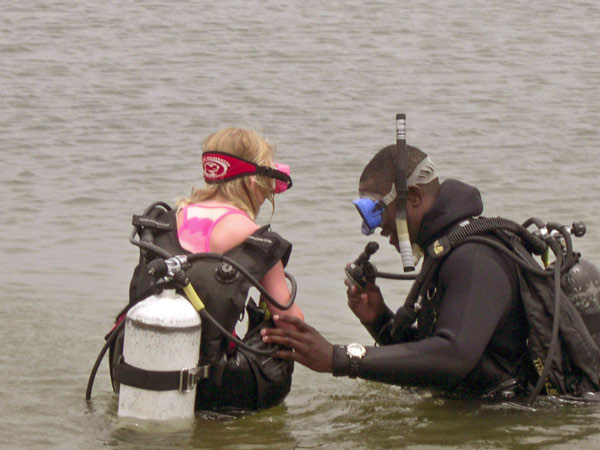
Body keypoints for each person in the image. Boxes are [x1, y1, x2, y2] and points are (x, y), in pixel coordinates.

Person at [260, 143, 600, 399]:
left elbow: (454, 356)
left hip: (523, 416)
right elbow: (433, 360)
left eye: (377, 212)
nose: (376, 229)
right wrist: (378, 319)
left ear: (415, 197)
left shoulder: (474, 258)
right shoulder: (448, 254)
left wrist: (339, 358)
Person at [110, 127, 304, 411]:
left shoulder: (164, 221)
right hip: (214, 389)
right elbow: (290, 320)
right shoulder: (255, 237)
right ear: (253, 182)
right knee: (282, 331)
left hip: (136, 366)